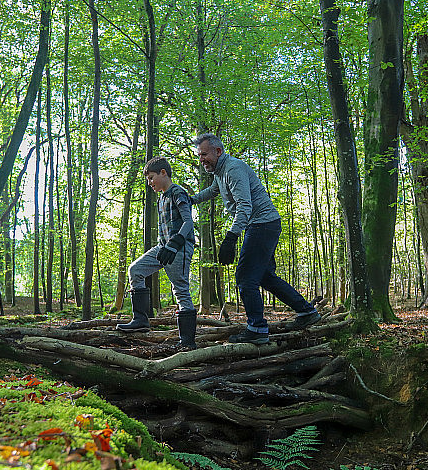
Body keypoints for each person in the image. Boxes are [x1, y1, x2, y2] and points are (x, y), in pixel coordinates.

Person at [190, 132, 320, 345]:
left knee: (245, 277)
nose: (201, 159)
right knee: (265, 277)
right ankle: (306, 312)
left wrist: (231, 237)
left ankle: (257, 328)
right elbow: (214, 190)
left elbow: (245, 206)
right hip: (263, 225)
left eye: (204, 154)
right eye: (199, 155)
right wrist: (191, 200)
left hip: (262, 225)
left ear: (218, 151)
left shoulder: (233, 169)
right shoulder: (220, 172)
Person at [117, 157, 197, 350]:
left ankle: (187, 342)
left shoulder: (177, 192)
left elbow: (188, 222)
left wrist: (176, 242)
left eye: (151, 178)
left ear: (163, 173)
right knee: (135, 270)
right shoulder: (160, 198)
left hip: (179, 248)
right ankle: (140, 320)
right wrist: (166, 246)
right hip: (163, 247)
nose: (150, 183)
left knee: (180, 289)